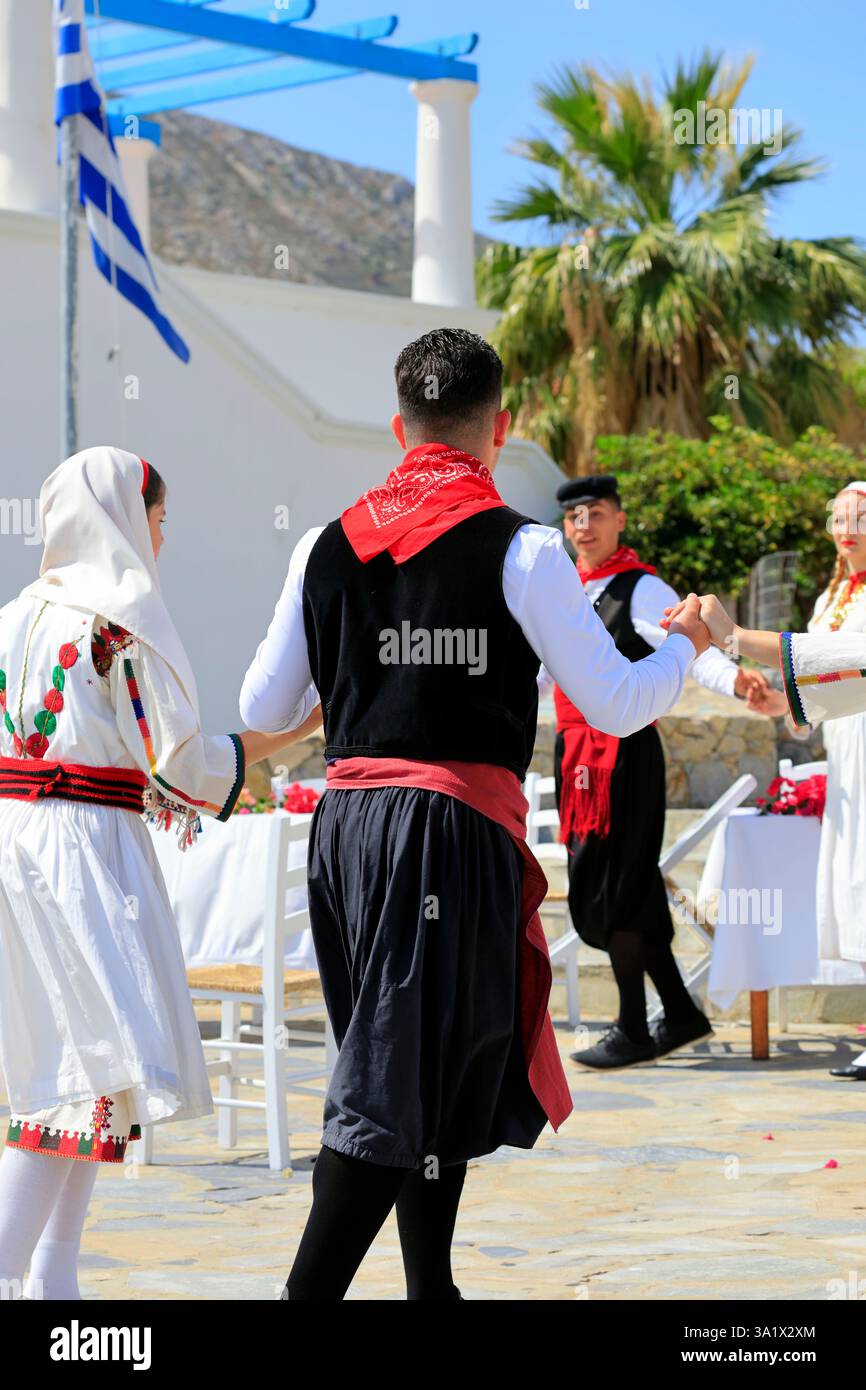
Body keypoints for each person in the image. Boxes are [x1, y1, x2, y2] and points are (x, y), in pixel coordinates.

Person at [240, 327, 711, 1302]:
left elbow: (261, 713)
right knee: (390, 1070)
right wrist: (683, 646)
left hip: (349, 830)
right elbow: (617, 702)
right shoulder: (523, 549)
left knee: (422, 1053)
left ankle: (431, 1285)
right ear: (499, 428)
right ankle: (306, 1295)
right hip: (443, 833)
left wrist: (366, 672)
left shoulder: (320, 544)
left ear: (396, 424)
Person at [0, 447, 317, 1301]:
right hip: (84, 854)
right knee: (83, 1073)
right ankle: (16, 1271)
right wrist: (282, 738)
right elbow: (177, 765)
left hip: (17, 845)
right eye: (158, 519)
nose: (162, 538)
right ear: (123, 520)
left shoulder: (11, 616)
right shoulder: (117, 622)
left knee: (81, 1073)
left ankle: (52, 1279)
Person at [545, 475, 769, 1071]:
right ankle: (678, 1009)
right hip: (575, 757)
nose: (583, 526)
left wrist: (735, 679)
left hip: (625, 757)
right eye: (573, 518)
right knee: (625, 887)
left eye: (595, 514)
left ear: (619, 520)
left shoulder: (640, 588)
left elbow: (690, 649)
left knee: (621, 886)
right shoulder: (561, 591)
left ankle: (631, 1026)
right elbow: (541, 675)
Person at [663, 482, 866, 1080]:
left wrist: (731, 636)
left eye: (862, 514)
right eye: (839, 515)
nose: (848, 524)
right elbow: (828, 685)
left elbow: (850, 658)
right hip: (852, 758)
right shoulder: (832, 596)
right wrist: (779, 702)